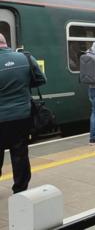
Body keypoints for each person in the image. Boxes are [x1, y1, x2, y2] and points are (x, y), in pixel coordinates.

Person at [0, 33, 46, 193]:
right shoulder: (25, 58)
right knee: (20, 153)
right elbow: (41, 79)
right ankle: (20, 189)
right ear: (5, 43)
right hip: (22, 115)